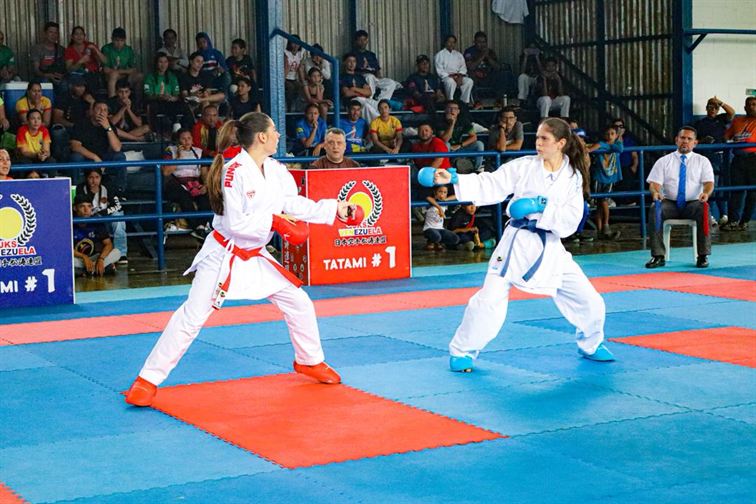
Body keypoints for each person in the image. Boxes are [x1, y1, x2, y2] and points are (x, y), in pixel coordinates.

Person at [124, 112, 358, 407]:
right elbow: (235, 224)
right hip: (224, 254)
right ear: (261, 136)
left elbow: (292, 203)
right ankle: (147, 380)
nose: (278, 135)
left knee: (298, 303)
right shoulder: (234, 172)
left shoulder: (275, 169)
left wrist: (334, 209)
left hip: (256, 255)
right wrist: (275, 222)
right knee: (192, 317)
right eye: (274, 130)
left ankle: (309, 360)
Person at [422, 117, 615, 372]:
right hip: (516, 243)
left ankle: (591, 343)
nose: (538, 143)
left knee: (589, 299)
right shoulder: (524, 166)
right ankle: (462, 351)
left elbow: (571, 219)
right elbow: (491, 183)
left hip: (550, 246)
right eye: (537, 137)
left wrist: (541, 207)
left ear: (561, 143)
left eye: (544, 138)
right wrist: (454, 178)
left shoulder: (573, 176)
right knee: (489, 300)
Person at [645, 126, 714, 269]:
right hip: (670, 203)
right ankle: (658, 256)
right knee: (655, 208)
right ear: (676, 140)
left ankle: (703, 255)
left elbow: (709, 183)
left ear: (695, 143)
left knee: (704, 209)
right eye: (682, 138)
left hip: (693, 203)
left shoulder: (703, 161)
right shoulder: (664, 161)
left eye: (689, 139)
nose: (685, 141)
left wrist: (706, 193)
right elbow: (654, 183)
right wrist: (655, 192)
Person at [163, 128, 211, 239]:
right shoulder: (170, 150)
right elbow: (166, 172)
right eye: (183, 139)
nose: (186, 141)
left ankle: (201, 226)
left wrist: (205, 185)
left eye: (189, 138)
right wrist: (178, 156)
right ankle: (197, 227)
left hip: (194, 183)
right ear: (178, 140)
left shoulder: (199, 152)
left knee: (204, 197)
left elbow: (204, 173)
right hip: (176, 183)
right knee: (184, 197)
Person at [69, 100, 127, 193]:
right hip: (87, 159)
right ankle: (75, 191)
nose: (101, 112)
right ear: (92, 111)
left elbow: (117, 148)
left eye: (105, 110)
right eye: (99, 109)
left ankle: (120, 191)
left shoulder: (109, 125)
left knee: (120, 156)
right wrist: (95, 157)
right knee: (75, 157)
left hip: (104, 160)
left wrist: (108, 127)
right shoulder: (82, 124)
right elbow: (75, 146)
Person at [693, 96, 735, 226]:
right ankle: (709, 215)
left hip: (723, 156)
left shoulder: (721, 119)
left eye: (715, 108)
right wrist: (703, 141)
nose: (713, 110)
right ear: (706, 108)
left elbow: (732, 113)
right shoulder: (700, 124)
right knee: (711, 186)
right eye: (710, 107)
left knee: (723, 187)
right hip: (709, 156)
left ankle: (724, 215)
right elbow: (693, 140)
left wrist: (720, 102)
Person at [75, 167, 128, 264]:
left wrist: (103, 213)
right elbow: (80, 205)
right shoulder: (81, 188)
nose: (94, 180)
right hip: (89, 217)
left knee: (118, 218)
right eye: (91, 177)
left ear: (101, 177)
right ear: (86, 178)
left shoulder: (108, 186)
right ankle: (90, 256)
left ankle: (122, 253)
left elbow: (117, 205)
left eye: (97, 177)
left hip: (106, 215)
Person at [723, 96, 756, 231]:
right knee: (736, 191)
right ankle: (733, 221)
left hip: (754, 159)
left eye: (754, 104)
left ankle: (745, 221)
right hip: (738, 159)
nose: (752, 107)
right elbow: (726, 136)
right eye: (749, 104)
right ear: (745, 107)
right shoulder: (738, 121)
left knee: (753, 193)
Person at [72, 192, 121, 276]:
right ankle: (97, 270)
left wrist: (101, 259)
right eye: (82, 206)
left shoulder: (96, 221)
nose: (86, 210)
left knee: (117, 252)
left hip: (95, 258)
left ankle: (86, 271)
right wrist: (84, 257)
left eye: (89, 206)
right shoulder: (70, 222)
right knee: (65, 259)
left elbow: (108, 244)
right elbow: (67, 249)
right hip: (79, 258)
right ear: (75, 208)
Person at [588, 125, 624, 240]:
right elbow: (591, 149)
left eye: (612, 134)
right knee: (600, 202)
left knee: (604, 201)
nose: (609, 136)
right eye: (607, 134)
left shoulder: (616, 146)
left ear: (616, 135)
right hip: (599, 176)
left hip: (610, 177)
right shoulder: (601, 144)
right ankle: (601, 230)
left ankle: (606, 226)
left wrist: (617, 139)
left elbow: (620, 149)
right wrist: (604, 146)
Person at [144, 53, 188, 136]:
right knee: (153, 107)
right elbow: (148, 96)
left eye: (165, 62)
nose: (163, 65)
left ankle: (183, 131)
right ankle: (158, 133)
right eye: (160, 62)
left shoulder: (172, 76)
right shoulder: (150, 77)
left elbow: (176, 95)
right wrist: (159, 96)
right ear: (156, 63)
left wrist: (172, 98)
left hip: (170, 102)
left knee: (184, 106)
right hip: (156, 102)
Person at [463, 31, 515, 101]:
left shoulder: (490, 52)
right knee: (471, 75)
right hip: (476, 78)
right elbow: (470, 67)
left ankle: (500, 100)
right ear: (474, 42)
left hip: (488, 77)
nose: (482, 44)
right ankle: (476, 101)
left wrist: (488, 57)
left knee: (505, 74)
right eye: (479, 42)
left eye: (484, 42)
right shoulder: (469, 52)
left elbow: (498, 67)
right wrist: (482, 56)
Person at [352, 30, 400, 101]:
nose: (362, 42)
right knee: (369, 76)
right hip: (362, 78)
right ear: (356, 41)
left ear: (367, 41)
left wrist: (380, 78)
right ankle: (370, 100)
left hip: (374, 78)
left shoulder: (371, 54)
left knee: (391, 83)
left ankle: (380, 102)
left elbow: (377, 70)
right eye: (360, 40)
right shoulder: (353, 54)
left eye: (364, 40)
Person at [437, 100, 484, 172]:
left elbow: (474, 137)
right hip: (446, 149)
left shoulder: (463, 120)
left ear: (458, 111)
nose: (452, 111)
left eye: (455, 108)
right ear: (445, 110)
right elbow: (445, 140)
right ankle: (447, 169)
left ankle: (476, 169)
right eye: (450, 108)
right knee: (447, 145)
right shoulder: (440, 120)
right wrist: (452, 123)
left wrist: (460, 145)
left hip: (458, 148)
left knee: (479, 144)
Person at [101, 27, 142, 99]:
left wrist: (119, 71)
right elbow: (105, 69)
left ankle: (137, 102)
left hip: (124, 75)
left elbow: (133, 69)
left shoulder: (128, 50)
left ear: (125, 40)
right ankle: (112, 101)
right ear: (112, 39)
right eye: (116, 40)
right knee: (113, 75)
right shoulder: (106, 49)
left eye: (122, 41)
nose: (119, 43)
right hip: (110, 76)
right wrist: (117, 72)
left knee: (140, 76)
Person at [64, 26, 105, 93]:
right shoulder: (69, 50)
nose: (79, 36)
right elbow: (69, 69)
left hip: (94, 74)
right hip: (79, 76)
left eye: (81, 34)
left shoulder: (90, 45)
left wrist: (96, 50)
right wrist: (80, 61)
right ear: (72, 37)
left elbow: (105, 61)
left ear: (84, 36)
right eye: (76, 34)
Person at [434, 35, 474, 105]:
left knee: (469, 81)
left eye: (453, 42)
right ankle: (450, 101)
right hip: (447, 77)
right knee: (450, 82)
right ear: (445, 43)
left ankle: (464, 101)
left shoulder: (459, 55)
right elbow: (439, 70)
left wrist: (460, 76)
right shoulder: (439, 55)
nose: (451, 44)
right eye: (449, 42)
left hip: (458, 76)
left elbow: (463, 67)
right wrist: (452, 76)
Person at [339, 53, 378, 122]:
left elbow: (369, 92)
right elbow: (347, 93)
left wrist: (354, 89)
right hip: (352, 101)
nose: (352, 64)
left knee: (378, 105)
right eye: (349, 61)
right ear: (345, 63)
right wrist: (362, 92)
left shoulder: (360, 77)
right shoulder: (342, 77)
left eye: (354, 61)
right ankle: (380, 124)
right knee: (366, 106)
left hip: (364, 99)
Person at [423, 185, 459, 251]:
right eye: (440, 192)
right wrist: (439, 208)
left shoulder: (444, 202)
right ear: (435, 192)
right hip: (429, 228)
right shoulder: (432, 201)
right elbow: (428, 198)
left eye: (445, 192)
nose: (442, 194)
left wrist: (446, 199)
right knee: (437, 237)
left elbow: (456, 196)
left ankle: (438, 242)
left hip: (440, 228)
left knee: (455, 238)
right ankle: (431, 242)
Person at [31, 22, 66, 89]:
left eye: (56, 33)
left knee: (65, 84)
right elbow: (36, 70)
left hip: (57, 77)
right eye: (51, 32)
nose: (53, 35)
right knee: (46, 83)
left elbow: (66, 67)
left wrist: (62, 75)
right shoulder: (37, 49)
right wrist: (47, 75)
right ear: (45, 34)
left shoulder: (61, 49)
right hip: (42, 78)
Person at [284, 36, 305, 111]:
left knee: (301, 87)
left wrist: (303, 82)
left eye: (297, 43)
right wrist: (283, 81)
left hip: (294, 78)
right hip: (286, 77)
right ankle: (290, 108)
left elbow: (300, 68)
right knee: (290, 88)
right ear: (289, 44)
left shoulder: (300, 54)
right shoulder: (286, 54)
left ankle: (298, 108)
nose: (296, 45)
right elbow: (285, 68)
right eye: (293, 43)